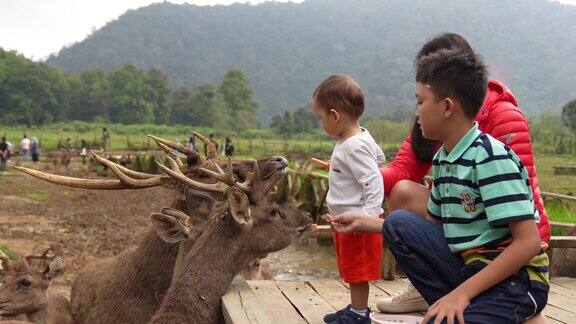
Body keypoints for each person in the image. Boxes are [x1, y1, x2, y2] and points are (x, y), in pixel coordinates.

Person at [329, 49, 548, 323]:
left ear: (446, 107)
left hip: (515, 282)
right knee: (399, 224)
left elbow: (528, 242)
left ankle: (512, 311)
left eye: (420, 101)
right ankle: (472, 308)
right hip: (470, 271)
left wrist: (462, 294)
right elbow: (432, 230)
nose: (417, 111)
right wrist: (365, 222)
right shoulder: (444, 158)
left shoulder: (490, 158)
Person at [312, 74, 385, 324]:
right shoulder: (355, 139)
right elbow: (379, 158)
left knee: (358, 270)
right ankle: (356, 308)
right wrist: (338, 167)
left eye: (320, 118)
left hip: (357, 223)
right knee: (352, 268)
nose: (320, 123)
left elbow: (374, 180)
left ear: (334, 115)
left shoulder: (353, 145)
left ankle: (360, 314)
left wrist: (367, 217)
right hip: (346, 221)